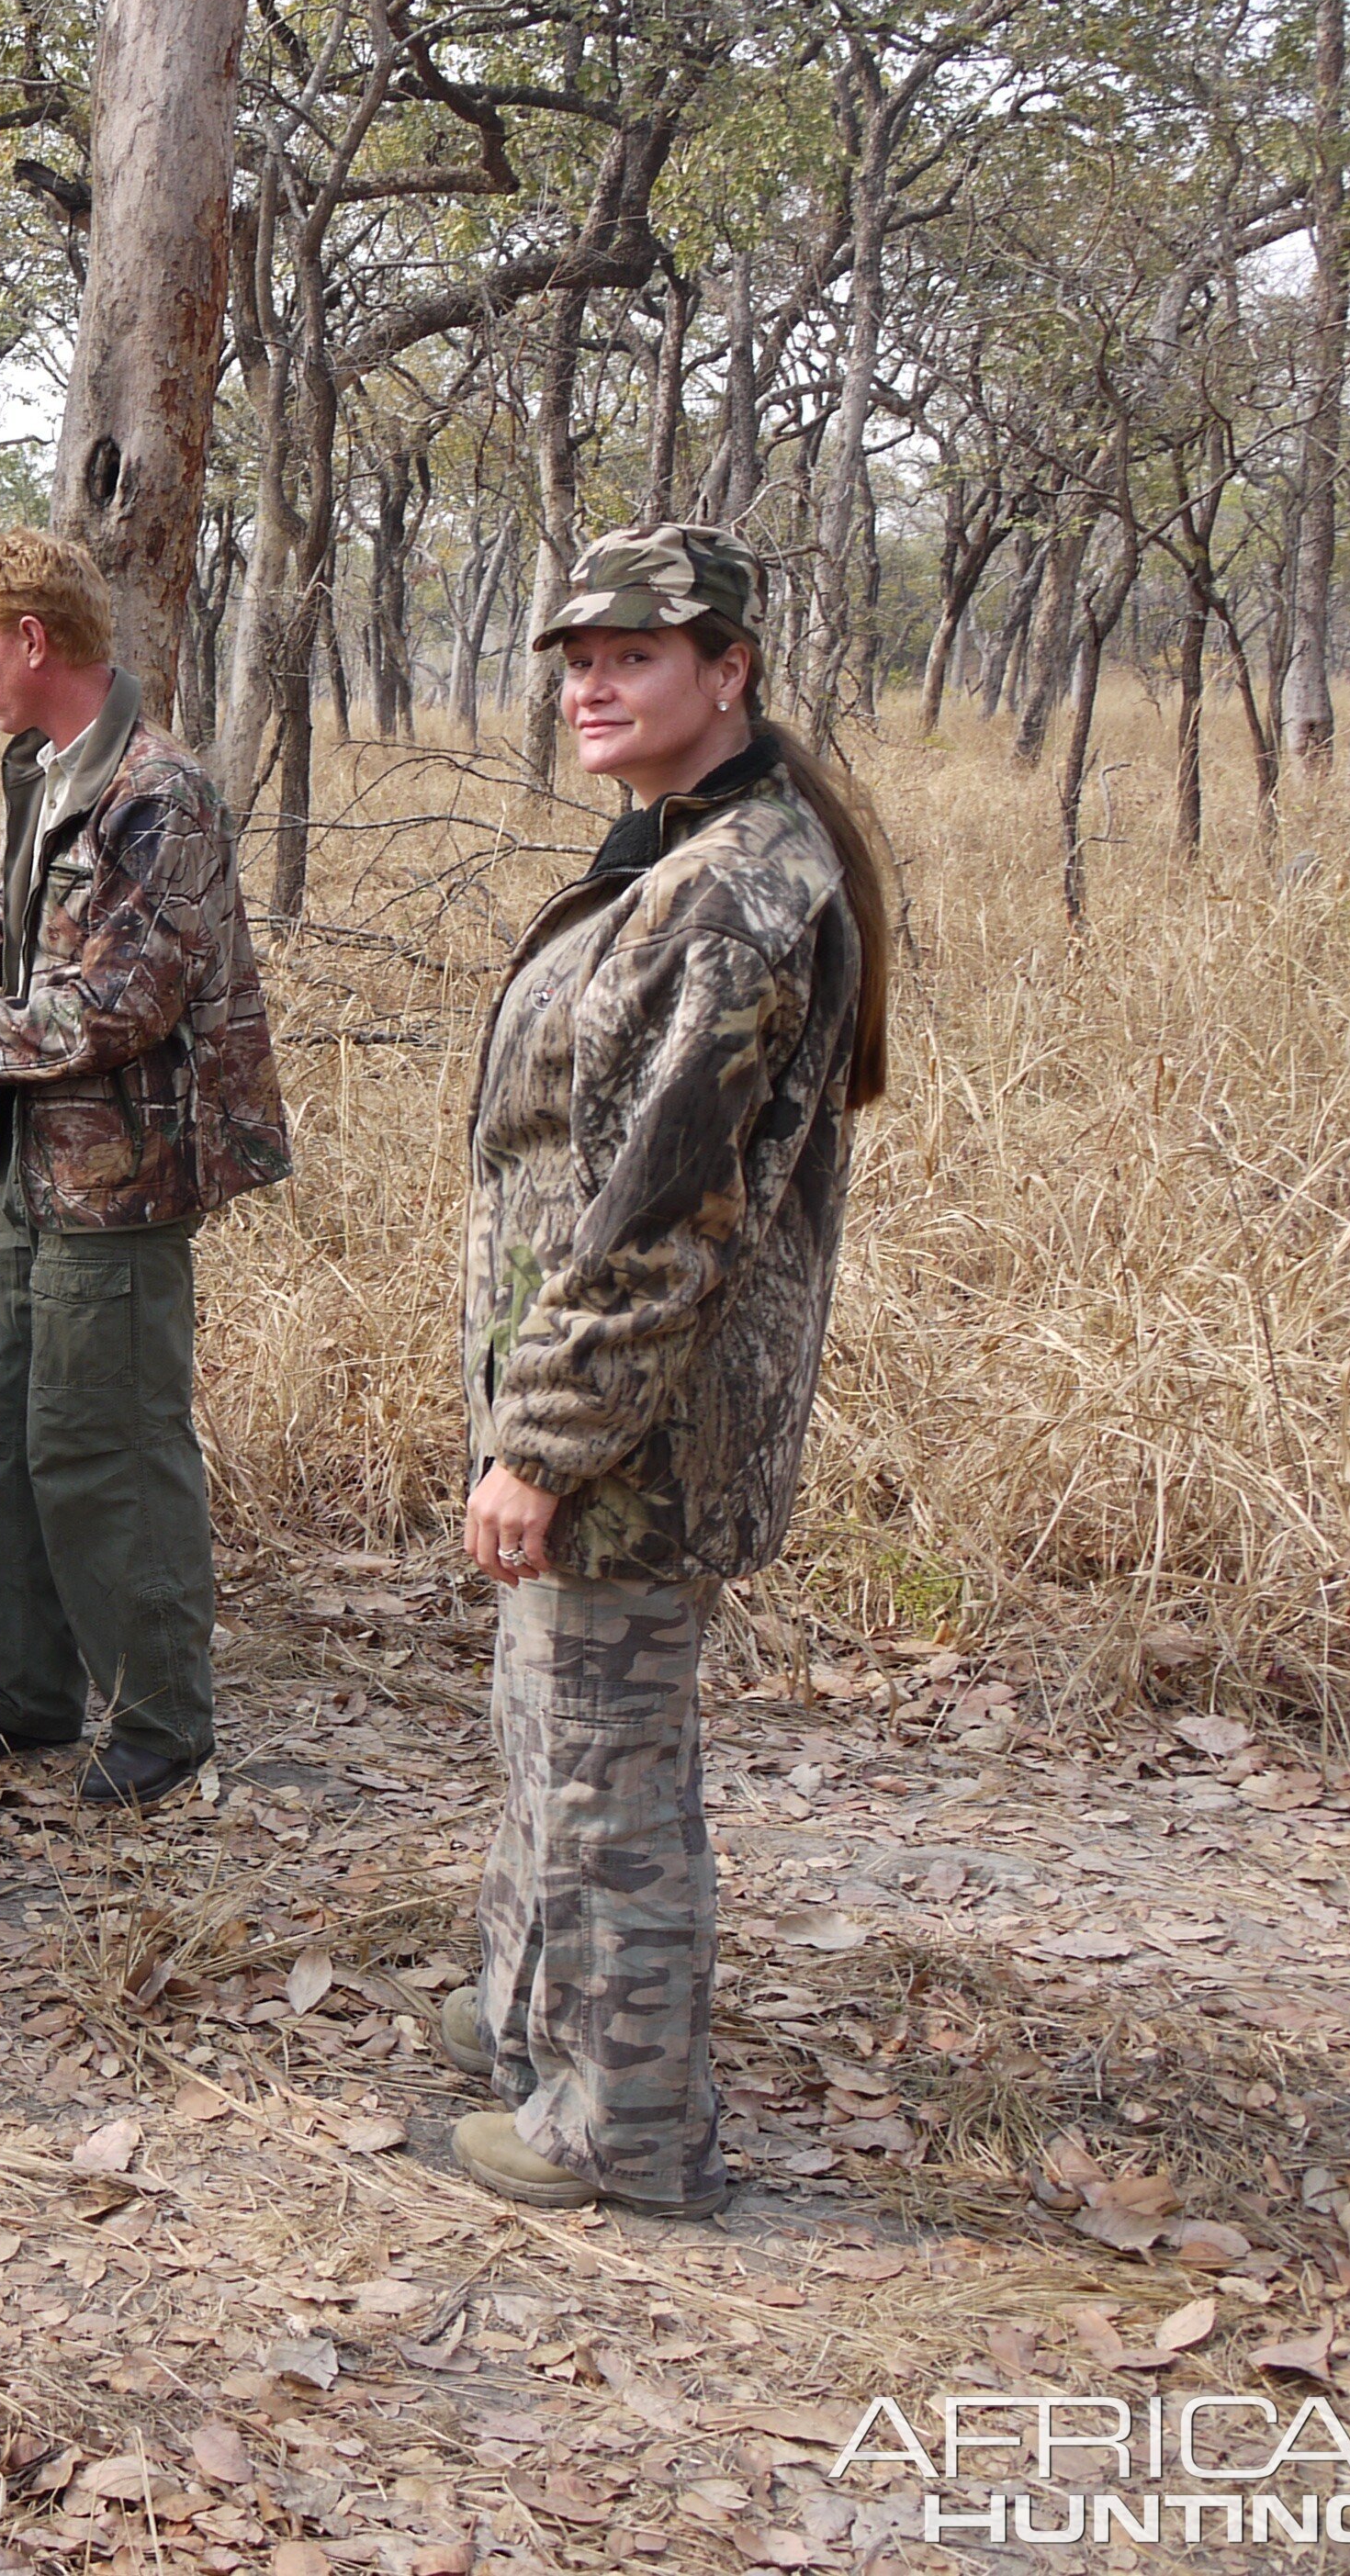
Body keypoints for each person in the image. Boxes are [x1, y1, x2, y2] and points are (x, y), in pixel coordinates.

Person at [443, 522, 894, 2219]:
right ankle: (534, 2025)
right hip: (600, 1409)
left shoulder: (737, 890)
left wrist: (544, 1443)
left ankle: (622, 2119)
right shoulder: (676, 851)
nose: (593, 684)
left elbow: (668, 1223)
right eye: (575, 658)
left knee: (610, 1768)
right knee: (552, 1729)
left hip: (638, 1427)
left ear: (730, 670)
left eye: (635, 654)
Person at [0, 532, 289, 1808]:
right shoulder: (52, 774)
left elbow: (130, 995)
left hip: (124, 1178)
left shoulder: (160, 792)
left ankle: (159, 1724)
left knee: (104, 1443)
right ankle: (25, 1692)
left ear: (33, 644)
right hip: (35, 1173)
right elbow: (39, 929)